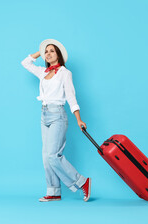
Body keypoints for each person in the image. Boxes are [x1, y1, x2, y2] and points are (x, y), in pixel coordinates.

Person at [21, 39, 91, 202]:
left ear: (58, 54)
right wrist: (40, 50)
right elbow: (25, 63)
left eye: (52, 50)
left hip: (58, 115)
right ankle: (53, 191)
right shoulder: (43, 72)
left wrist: (79, 120)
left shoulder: (65, 73)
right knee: (46, 156)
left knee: (53, 155)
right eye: (46, 52)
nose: (48, 53)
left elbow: (71, 97)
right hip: (44, 114)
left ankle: (82, 182)